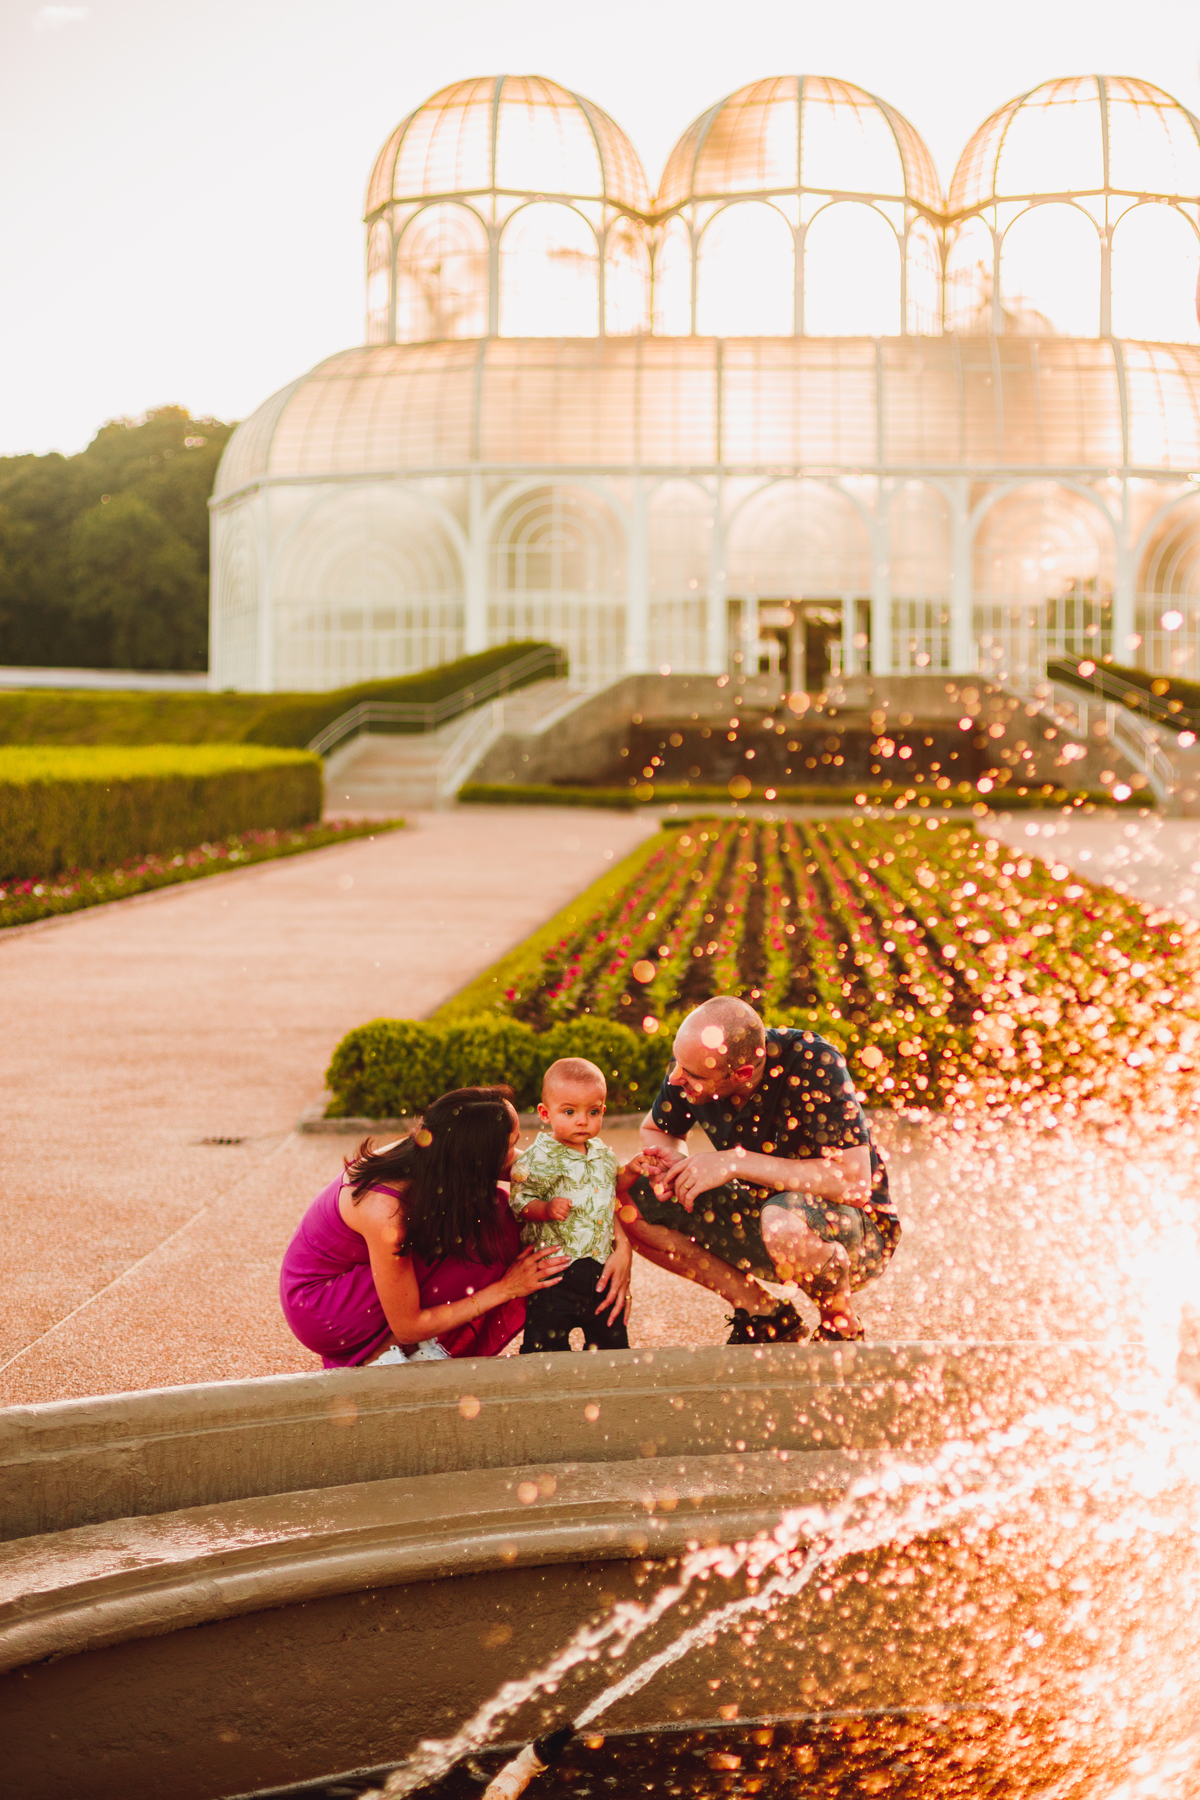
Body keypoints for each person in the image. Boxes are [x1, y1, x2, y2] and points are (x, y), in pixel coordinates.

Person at [622, 997, 900, 1345]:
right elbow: (657, 1129)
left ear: (741, 1073)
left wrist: (734, 1161)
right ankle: (766, 1315)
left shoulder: (812, 1062)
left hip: (853, 1233)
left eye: (691, 1074)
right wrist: (675, 1165)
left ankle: (838, 1324)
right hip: (764, 1219)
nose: (677, 1078)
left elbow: (853, 1182)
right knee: (630, 1199)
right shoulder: (693, 1066)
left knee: (781, 1222)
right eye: (677, 1064)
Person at [279, 1085, 569, 1368]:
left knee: (493, 1216)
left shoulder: (437, 1151)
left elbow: (525, 1169)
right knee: (492, 1232)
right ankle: (380, 1357)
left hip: (357, 1282)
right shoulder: (385, 1211)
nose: (518, 1153)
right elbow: (408, 1325)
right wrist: (507, 1289)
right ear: (476, 1162)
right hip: (321, 1307)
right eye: (510, 1146)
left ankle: (410, 1348)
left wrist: (582, 1176)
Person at [509, 1057, 639, 1354]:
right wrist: (545, 1209)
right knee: (545, 1351)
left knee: (612, 1348)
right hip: (555, 1275)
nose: (582, 1120)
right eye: (569, 1112)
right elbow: (519, 1201)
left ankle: (607, 1389)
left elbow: (612, 1186)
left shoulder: (601, 1153)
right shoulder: (539, 1157)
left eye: (593, 1112)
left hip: (600, 1272)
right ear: (545, 1113)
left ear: (603, 1111)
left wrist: (632, 1169)